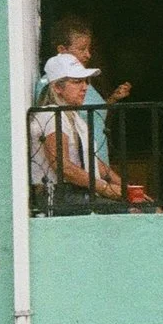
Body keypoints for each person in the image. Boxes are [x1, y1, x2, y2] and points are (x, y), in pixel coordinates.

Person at [32, 53, 126, 210]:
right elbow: (63, 167)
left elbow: (94, 161)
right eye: (77, 82)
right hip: (57, 195)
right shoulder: (50, 115)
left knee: (145, 207)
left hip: (80, 191)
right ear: (57, 87)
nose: (85, 87)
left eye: (85, 81)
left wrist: (126, 188)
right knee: (134, 211)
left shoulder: (75, 117)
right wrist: (105, 188)